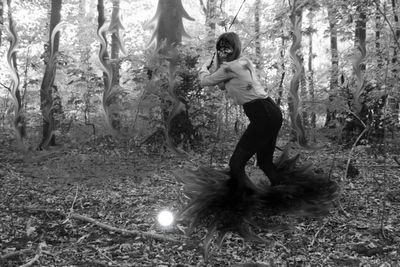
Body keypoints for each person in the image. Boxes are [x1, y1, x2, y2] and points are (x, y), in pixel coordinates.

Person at [198, 32, 283, 194]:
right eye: (221, 48)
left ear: (235, 47)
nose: (223, 50)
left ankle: (254, 199)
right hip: (271, 112)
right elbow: (222, 85)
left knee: (236, 164)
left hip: (262, 115)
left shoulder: (229, 67)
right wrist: (217, 62)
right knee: (265, 162)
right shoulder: (243, 61)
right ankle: (285, 194)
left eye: (227, 47)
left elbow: (205, 81)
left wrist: (204, 67)